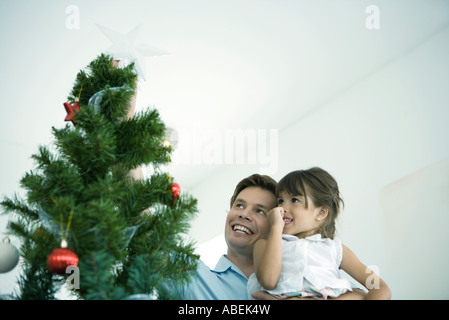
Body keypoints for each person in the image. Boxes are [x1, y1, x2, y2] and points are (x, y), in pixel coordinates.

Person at [171, 173, 367, 300]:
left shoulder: (316, 271)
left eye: (261, 211)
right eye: (239, 205)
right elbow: (145, 228)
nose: (244, 214)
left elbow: (363, 294)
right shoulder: (192, 276)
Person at [247, 167, 391, 300]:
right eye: (280, 201)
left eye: (294, 200)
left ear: (321, 213)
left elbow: (380, 288)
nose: (282, 208)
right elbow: (269, 281)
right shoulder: (265, 244)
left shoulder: (334, 248)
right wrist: (276, 228)